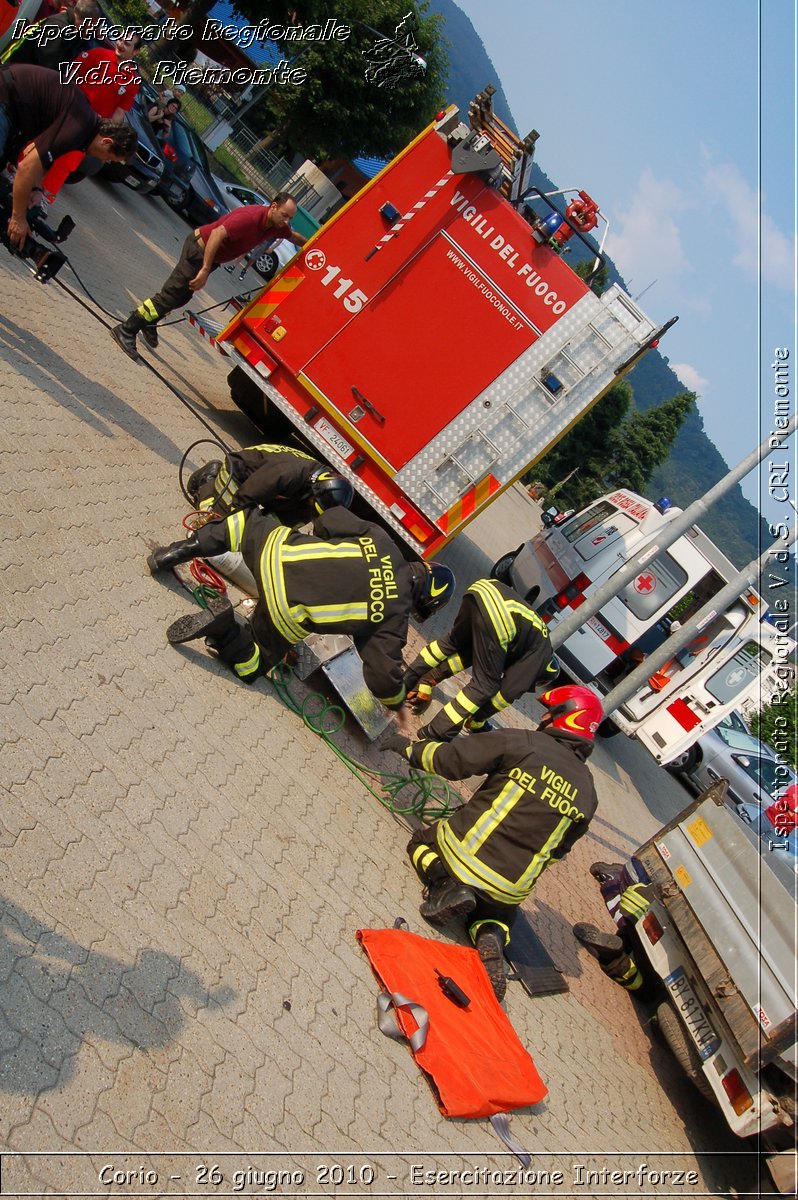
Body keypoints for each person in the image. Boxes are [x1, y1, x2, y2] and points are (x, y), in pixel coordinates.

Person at [384, 684, 602, 1000]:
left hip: (464, 857)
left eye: (549, 711)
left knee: (419, 843)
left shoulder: (526, 743)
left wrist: (407, 749)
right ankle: (490, 932)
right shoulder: (588, 792)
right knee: (499, 912)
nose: (542, 716)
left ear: (563, 718)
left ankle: (445, 885)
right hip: (509, 889)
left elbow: (452, 760)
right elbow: (557, 853)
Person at [147, 506, 455, 704]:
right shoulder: (394, 619)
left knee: (246, 525)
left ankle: (173, 552)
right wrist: (398, 699)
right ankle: (225, 627)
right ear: (425, 599)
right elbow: (382, 679)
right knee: (251, 666)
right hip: (286, 607)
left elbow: (330, 519)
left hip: (277, 553)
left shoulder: (383, 541)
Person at [111, 193, 307, 359]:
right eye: (285, 215)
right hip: (198, 250)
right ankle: (127, 329)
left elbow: (293, 236)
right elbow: (216, 234)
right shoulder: (249, 217)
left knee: (181, 297)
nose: (286, 221)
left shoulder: (276, 226)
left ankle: (149, 322)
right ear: (273, 207)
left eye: (290, 218)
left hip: (209, 261)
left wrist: (314, 243)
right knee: (170, 295)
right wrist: (205, 269)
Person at [402, 577, 560, 741]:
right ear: (542, 673)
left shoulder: (532, 643)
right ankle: (433, 734)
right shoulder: (539, 658)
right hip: (501, 614)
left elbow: (470, 657)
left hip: (481, 590)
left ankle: (407, 683)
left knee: (453, 643)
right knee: (485, 685)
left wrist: (429, 679)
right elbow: (506, 694)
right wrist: (477, 720)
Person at [0, 63, 136, 248]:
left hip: (16, 106)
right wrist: (17, 218)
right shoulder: (78, 128)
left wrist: (37, 190)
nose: (103, 161)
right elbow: (26, 167)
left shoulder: (85, 132)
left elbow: (37, 158)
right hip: (7, 95)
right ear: (106, 142)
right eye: (109, 158)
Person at [186, 443, 354, 525]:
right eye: (314, 502)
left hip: (272, 488)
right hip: (240, 474)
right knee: (214, 522)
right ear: (315, 488)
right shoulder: (288, 473)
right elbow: (244, 497)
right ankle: (208, 479)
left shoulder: (318, 489)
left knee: (294, 517)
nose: (312, 505)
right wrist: (227, 528)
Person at [572, 861, 658, 999]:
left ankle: (623, 943)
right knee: (650, 993)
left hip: (639, 904)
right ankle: (614, 959)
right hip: (642, 912)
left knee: (635, 940)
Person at [0, 0, 100, 70]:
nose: (92, 30)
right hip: (14, 70)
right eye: (93, 25)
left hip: (17, 69)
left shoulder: (69, 27)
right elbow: (46, 69)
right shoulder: (58, 29)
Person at [69, 31, 142, 122]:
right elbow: (72, 75)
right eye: (120, 40)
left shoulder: (133, 81)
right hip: (71, 109)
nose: (120, 44)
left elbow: (119, 112)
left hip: (90, 123)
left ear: (136, 51)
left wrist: (107, 126)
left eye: (126, 44)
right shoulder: (99, 53)